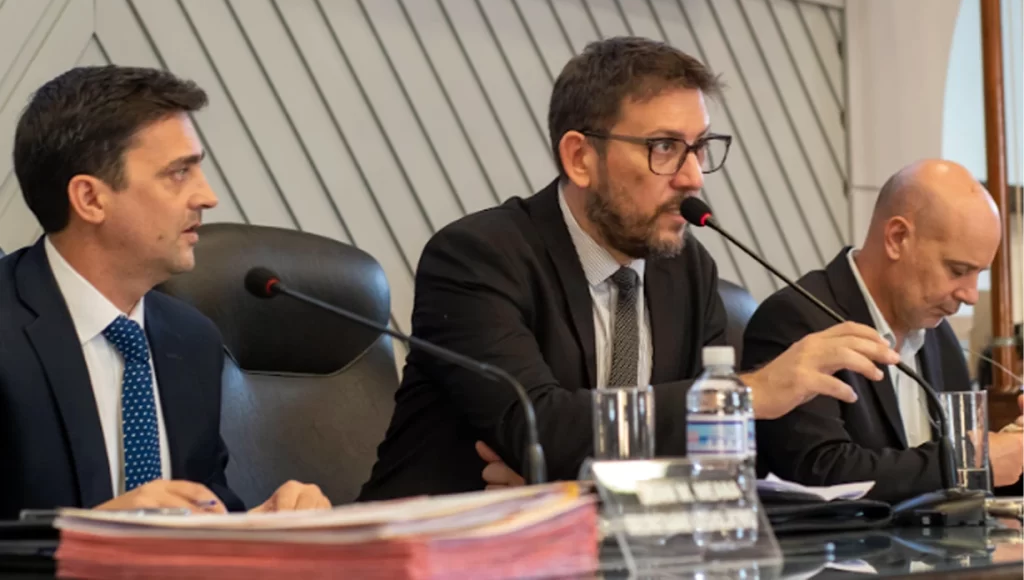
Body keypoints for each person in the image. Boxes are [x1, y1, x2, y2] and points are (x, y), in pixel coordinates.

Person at [359, 36, 899, 500]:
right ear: (580, 159)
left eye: (699, 148)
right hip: (430, 556)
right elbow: (540, 428)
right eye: (664, 147)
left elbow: (711, 464)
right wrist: (739, 396)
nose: (693, 177)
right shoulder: (478, 256)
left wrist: (584, 485)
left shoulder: (688, 271)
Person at [0, 65, 330, 519]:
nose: (208, 196)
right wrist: (96, 532)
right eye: (179, 173)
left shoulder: (191, 339)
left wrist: (258, 525)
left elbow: (201, 507)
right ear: (90, 199)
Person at [742, 160, 1024, 502]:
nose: (970, 295)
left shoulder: (940, 336)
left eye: (979, 273)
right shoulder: (796, 319)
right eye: (958, 270)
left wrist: (1013, 453)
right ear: (897, 238)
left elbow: (962, 489)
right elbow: (822, 473)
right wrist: (967, 461)